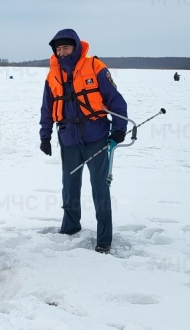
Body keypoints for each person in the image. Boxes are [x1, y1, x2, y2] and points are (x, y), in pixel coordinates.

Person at [39, 28, 128, 254]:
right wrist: (45, 136)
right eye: (58, 49)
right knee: (69, 187)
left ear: (76, 47)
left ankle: (104, 239)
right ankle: (70, 228)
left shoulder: (96, 67)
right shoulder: (52, 76)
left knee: (100, 189)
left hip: (96, 138)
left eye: (66, 47)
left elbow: (116, 101)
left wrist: (119, 130)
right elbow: (47, 109)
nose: (61, 52)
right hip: (68, 140)